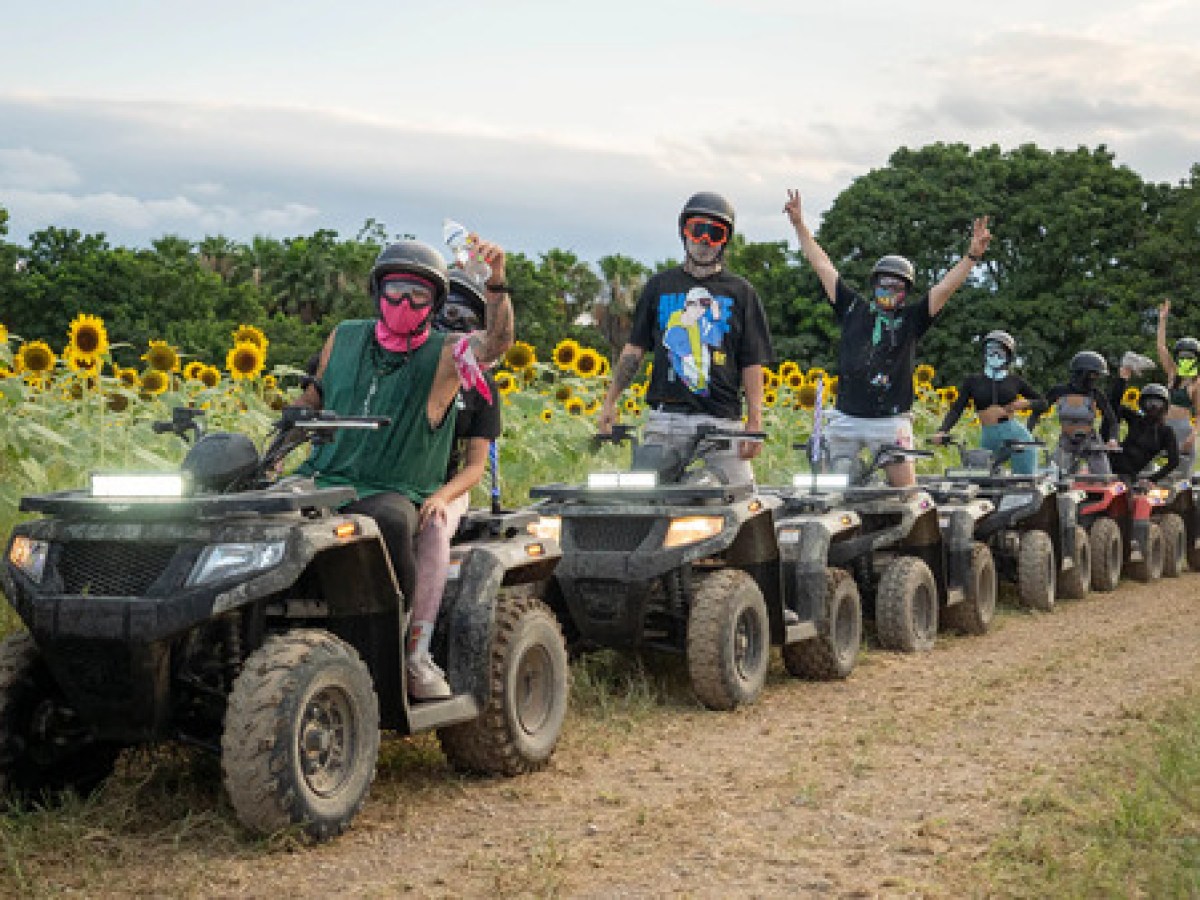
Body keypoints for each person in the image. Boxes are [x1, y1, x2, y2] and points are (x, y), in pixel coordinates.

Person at [295, 238, 514, 699]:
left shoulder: (447, 354)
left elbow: (496, 343)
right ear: (378, 292)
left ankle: (402, 649)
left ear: (433, 302)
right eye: (396, 290)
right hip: (323, 479)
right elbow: (312, 397)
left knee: (394, 521)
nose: (404, 303)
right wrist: (295, 415)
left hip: (398, 487)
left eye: (418, 295)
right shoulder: (343, 336)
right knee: (258, 511)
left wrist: (496, 284)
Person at [783, 188, 992, 486]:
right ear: (874, 285)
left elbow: (945, 289)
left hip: (890, 420)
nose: (889, 292)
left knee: (905, 491)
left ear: (905, 292)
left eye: (897, 287)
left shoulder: (911, 319)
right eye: (884, 285)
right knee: (826, 489)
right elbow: (822, 266)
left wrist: (972, 256)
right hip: (847, 417)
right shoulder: (853, 307)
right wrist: (800, 225)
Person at [597, 191, 773, 485]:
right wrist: (609, 402)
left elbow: (752, 360)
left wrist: (754, 422)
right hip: (666, 420)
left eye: (714, 234)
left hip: (722, 422)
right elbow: (634, 350)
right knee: (644, 500)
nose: (704, 241)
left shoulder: (741, 292)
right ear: (684, 232)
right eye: (697, 230)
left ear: (725, 241)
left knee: (742, 498)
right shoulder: (659, 286)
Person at [406, 271, 503, 700]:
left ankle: (417, 652)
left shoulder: (479, 385)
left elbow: (475, 466)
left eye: (466, 315)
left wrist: (442, 496)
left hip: (444, 484)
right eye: (446, 311)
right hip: (387, 479)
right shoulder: (401, 367)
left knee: (434, 527)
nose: (453, 322)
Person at [933, 330, 1046, 475]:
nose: (994, 355)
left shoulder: (1015, 381)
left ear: (1008, 356)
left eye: (999, 351)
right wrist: (943, 430)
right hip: (988, 435)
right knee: (983, 477)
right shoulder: (973, 381)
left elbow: (1043, 403)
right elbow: (957, 409)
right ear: (984, 354)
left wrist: (1026, 404)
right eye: (990, 350)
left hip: (1015, 435)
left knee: (1024, 480)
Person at [1028, 350, 1118, 475]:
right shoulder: (1059, 391)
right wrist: (1027, 434)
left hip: (1090, 441)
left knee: (1104, 476)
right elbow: (1037, 412)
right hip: (1066, 440)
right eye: (1094, 375)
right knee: (1055, 477)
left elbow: (1112, 420)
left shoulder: (1097, 394)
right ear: (1083, 373)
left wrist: (1113, 439)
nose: (1096, 379)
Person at [1106, 369, 1179, 484]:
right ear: (1142, 404)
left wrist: (1152, 479)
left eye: (1158, 404)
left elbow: (1174, 461)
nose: (1153, 408)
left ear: (1165, 406)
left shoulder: (1166, 432)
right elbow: (1114, 405)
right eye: (1149, 403)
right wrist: (1122, 380)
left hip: (1129, 475)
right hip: (1110, 462)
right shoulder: (1135, 418)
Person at [1154, 299, 1198, 478]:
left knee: (1181, 477)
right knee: (1158, 475)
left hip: (1183, 429)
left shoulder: (1197, 382)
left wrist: (1193, 436)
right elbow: (1161, 347)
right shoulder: (1172, 374)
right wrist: (1162, 320)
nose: (1185, 359)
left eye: (1189, 355)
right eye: (1182, 355)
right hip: (1164, 426)